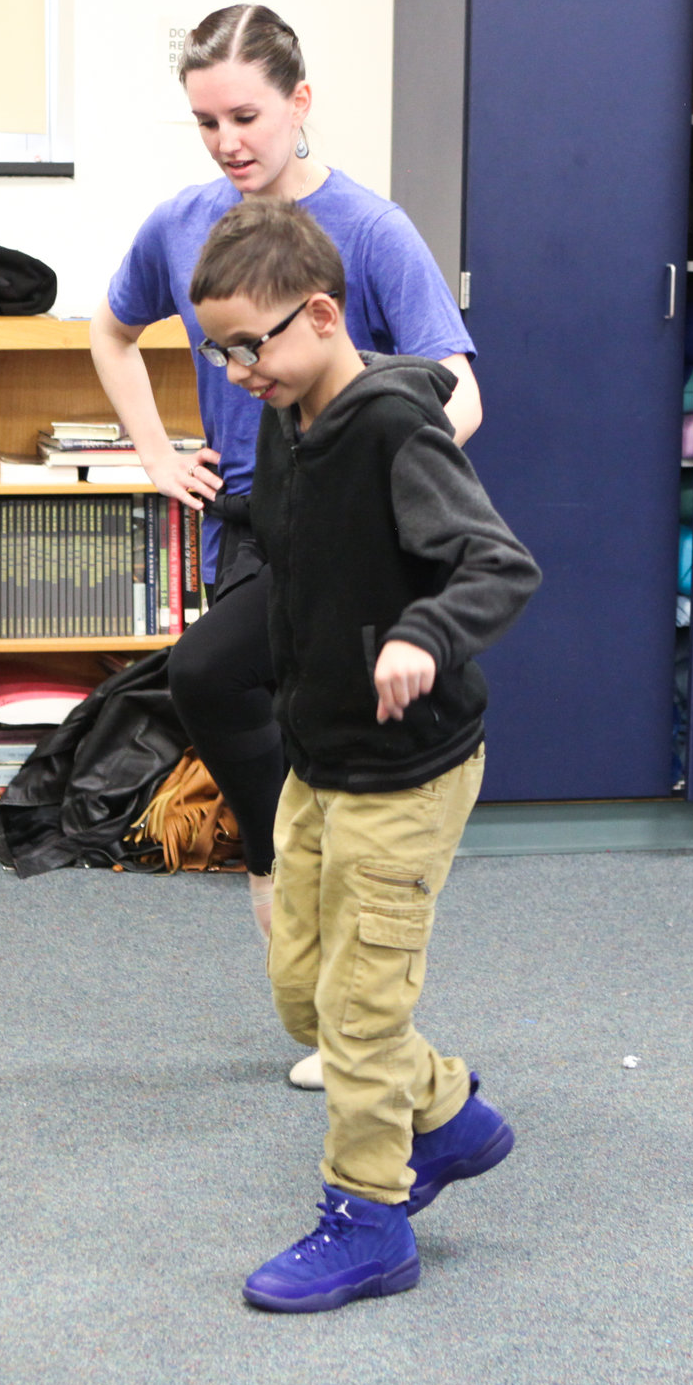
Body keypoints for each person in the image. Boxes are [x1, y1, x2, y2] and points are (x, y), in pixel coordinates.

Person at [90, 4, 480, 1090]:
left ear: (299, 102)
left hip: (351, 527)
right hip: (252, 521)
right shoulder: (183, 227)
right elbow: (111, 331)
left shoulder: (370, 229)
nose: (227, 142)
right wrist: (156, 451)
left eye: (246, 116)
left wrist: (371, 464)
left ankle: (324, 952)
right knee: (254, 710)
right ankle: (296, 916)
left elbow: (461, 389)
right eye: (206, 121)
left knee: (223, 677)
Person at [186, 197, 539, 1312]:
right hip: (320, 760)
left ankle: (368, 1218)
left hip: (407, 768)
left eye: (250, 345)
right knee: (304, 992)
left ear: (323, 314)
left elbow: (497, 563)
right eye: (219, 351)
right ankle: (449, 1111)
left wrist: (422, 634)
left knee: (359, 1008)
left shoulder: (393, 427)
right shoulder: (286, 419)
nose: (237, 370)